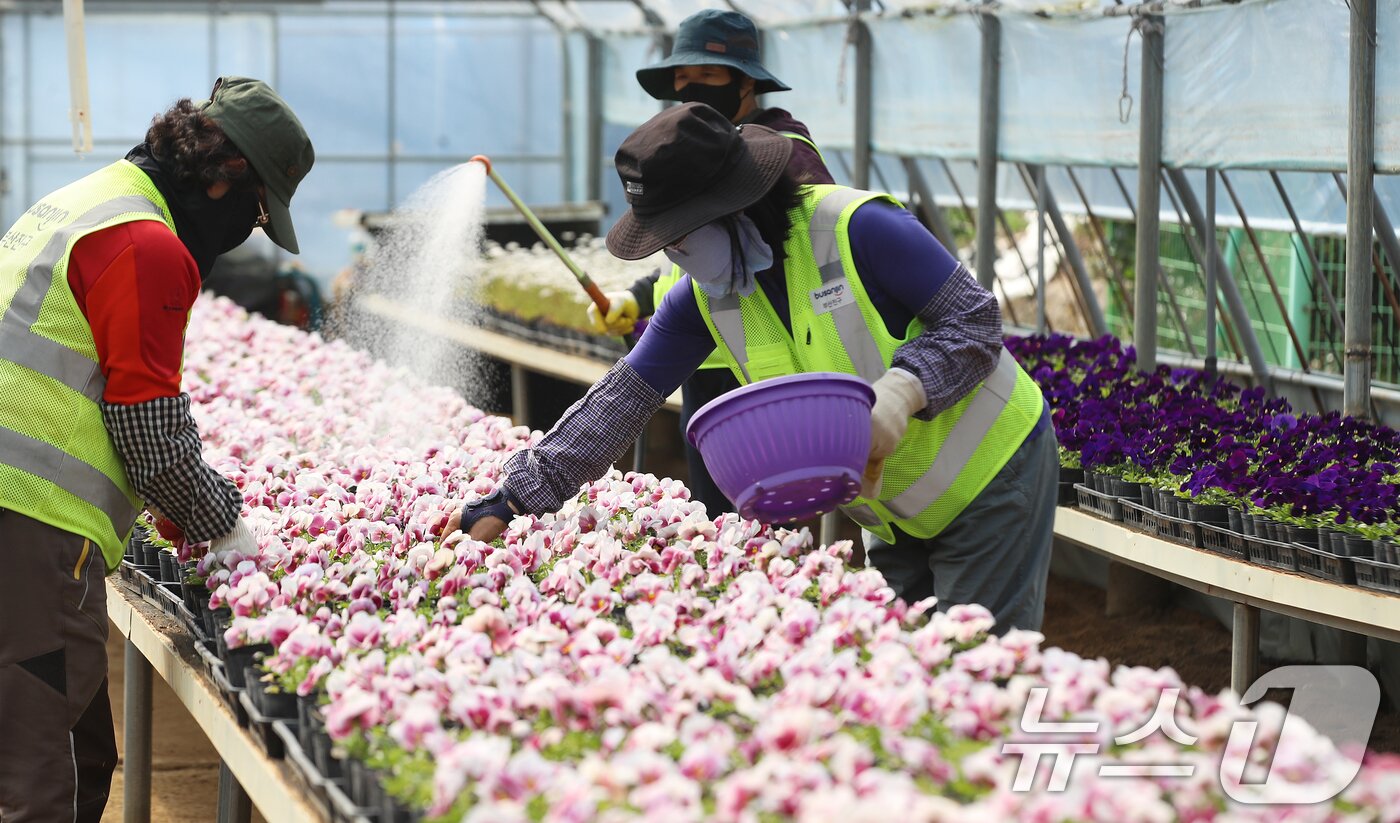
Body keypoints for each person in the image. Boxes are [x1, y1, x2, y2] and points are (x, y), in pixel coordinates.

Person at [450, 103, 1058, 636]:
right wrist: (512, 499)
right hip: (892, 504)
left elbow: (974, 320)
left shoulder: (858, 228)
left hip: (990, 475)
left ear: (736, 206)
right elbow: (621, 399)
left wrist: (900, 395)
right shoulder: (707, 294)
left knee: (975, 667)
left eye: (680, 234)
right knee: (905, 672)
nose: (673, 254)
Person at [0, 77, 313, 822]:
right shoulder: (147, 244)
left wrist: (173, 515)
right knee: (41, 779)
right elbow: (150, 433)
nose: (250, 228)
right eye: (257, 210)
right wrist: (222, 521)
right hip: (29, 523)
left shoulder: (90, 199)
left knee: (79, 752)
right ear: (222, 177)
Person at [586, 9, 835, 516]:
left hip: (764, 370)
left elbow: (808, 258)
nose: (691, 89)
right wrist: (633, 299)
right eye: (682, 80)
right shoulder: (696, 155)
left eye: (707, 76)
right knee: (720, 522)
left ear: (747, 81)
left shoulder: (781, 154)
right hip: (704, 361)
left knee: (765, 524)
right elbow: (691, 256)